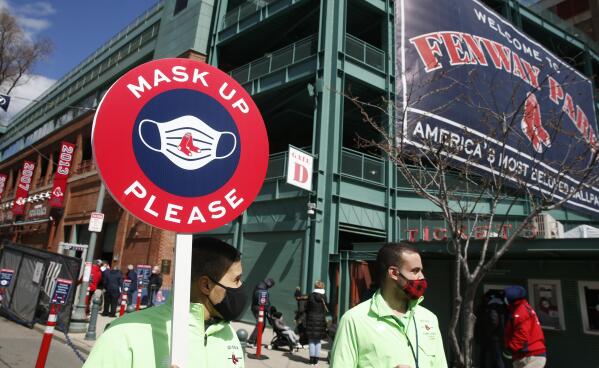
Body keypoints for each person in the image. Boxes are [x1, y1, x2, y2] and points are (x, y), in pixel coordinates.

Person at [83, 237, 246, 367]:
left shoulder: (227, 333)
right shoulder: (124, 334)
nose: (241, 286)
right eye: (236, 279)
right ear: (206, 285)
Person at [330, 243, 447, 368]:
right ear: (394, 273)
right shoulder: (353, 320)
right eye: (415, 271)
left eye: (421, 271)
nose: (421, 277)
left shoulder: (430, 319)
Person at [503, 286, 546, 368]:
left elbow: (521, 333)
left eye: (506, 296)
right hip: (524, 355)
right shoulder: (522, 307)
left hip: (531, 355)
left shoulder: (520, 312)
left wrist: (511, 349)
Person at [476, 290, 507, 368]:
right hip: (502, 337)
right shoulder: (504, 306)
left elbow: (494, 321)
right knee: (497, 359)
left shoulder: (492, 306)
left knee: (496, 359)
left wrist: (488, 332)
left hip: (494, 337)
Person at [247, 277, 275, 347]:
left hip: (259, 308)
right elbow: (264, 301)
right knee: (260, 324)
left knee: (262, 325)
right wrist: (268, 310)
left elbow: (265, 301)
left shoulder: (262, 286)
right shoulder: (261, 288)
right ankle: (251, 341)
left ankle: (256, 341)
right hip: (258, 308)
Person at [305, 280, 328, 366]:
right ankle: (316, 359)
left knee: (311, 340)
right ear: (322, 287)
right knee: (318, 340)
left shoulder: (310, 296)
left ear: (315, 286)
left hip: (311, 319)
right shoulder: (324, 297)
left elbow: (306, 307)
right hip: (321, 320)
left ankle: (311, 359)